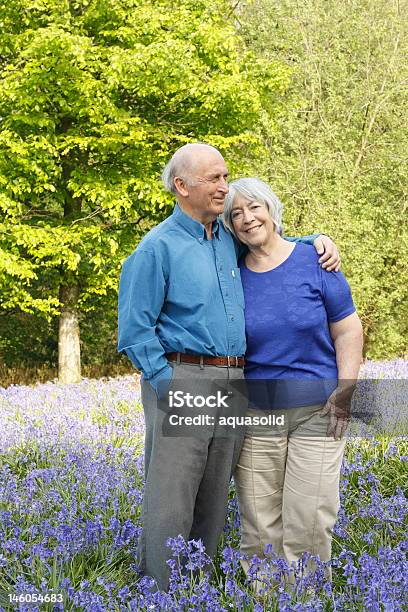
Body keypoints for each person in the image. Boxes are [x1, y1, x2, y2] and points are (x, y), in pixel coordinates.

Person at [117, 144, 341, 591]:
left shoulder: (223, 235)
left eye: (225, 176)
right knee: (173, 491)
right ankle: (163, 589)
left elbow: (267, 239)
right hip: (183, 375)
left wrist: (314, 241)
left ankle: (197, 583)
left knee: (216, 489)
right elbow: (135, 331)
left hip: (234, 378)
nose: (225, 187)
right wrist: (168, 384)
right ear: (182, 187)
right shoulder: (157, 247)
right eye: (214, 179)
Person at [222, 178, 363, 586]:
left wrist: (346, 391)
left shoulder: (315, 262)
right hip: (255, 413)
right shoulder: (231, 275)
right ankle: (265, 596)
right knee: (259, 519)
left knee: (310, 513)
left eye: (255, 208)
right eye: (236, 214)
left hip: (318, 409)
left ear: (272, 210)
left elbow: (348, 331)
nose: (248, 219)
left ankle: (304, 596)